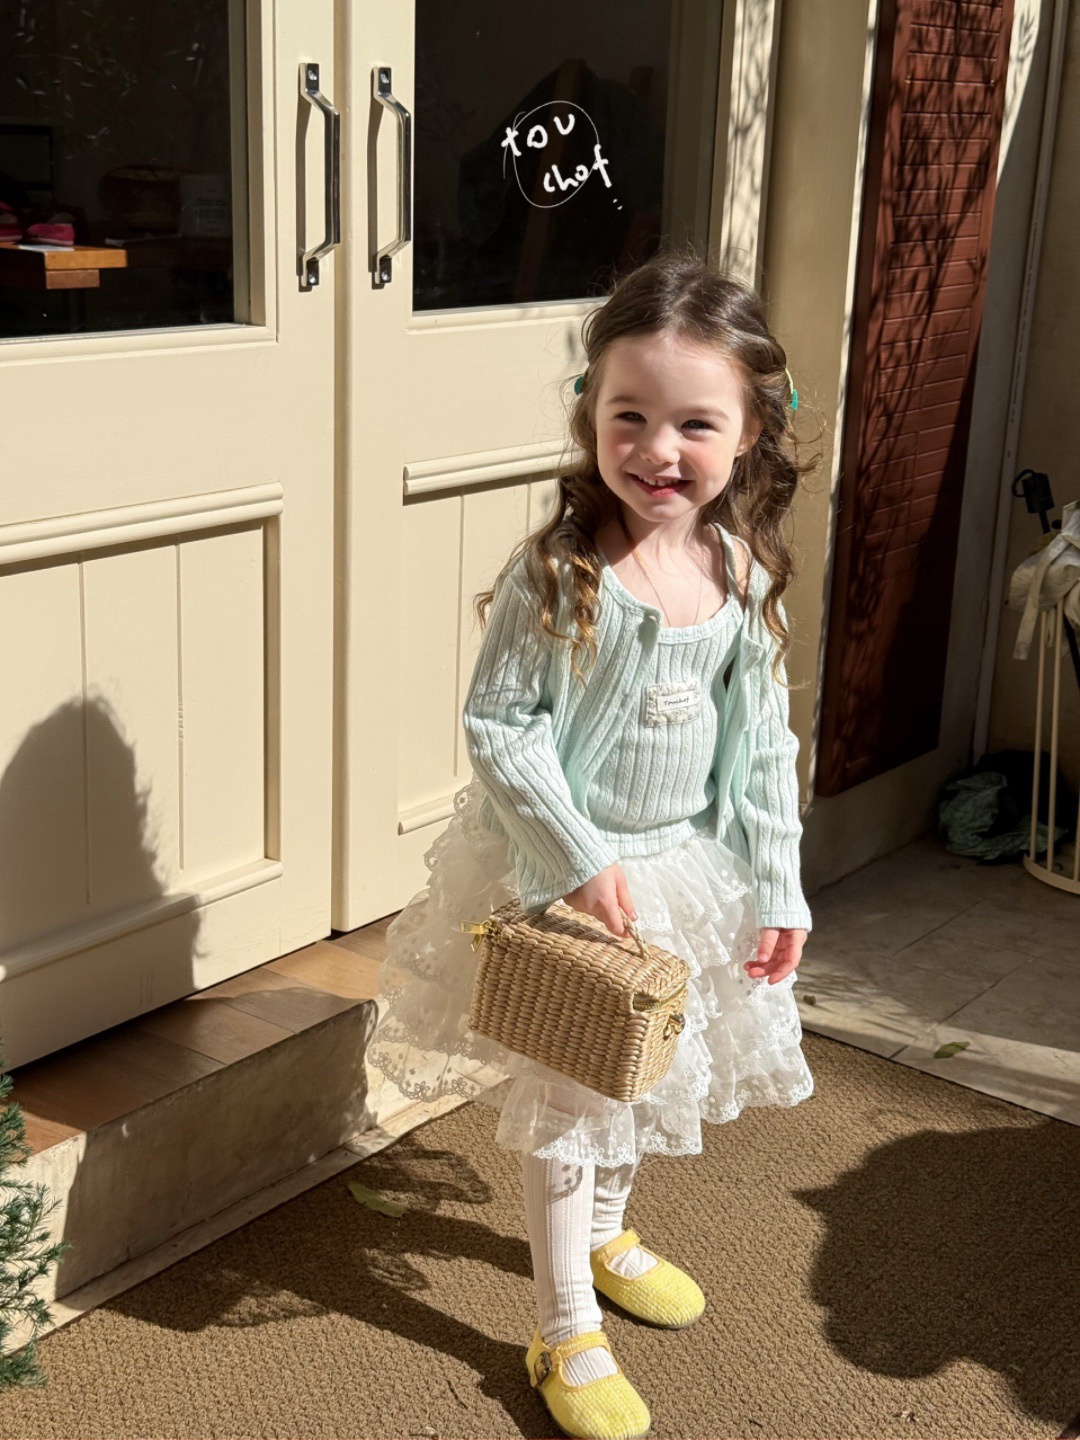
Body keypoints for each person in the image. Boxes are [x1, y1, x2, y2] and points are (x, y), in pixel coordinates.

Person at [367, 249, 819, 1440]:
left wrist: (779, 882)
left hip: (686, 872)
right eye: (631, 416)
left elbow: (761, 744)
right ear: (591, 415)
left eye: (695, 423)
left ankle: (607, 1232)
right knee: (575, 1093)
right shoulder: (562, 575)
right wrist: (574, 858)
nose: (658, 449)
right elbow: (500, 728)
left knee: (641, 1069)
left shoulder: (739, 570)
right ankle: (564, 1324)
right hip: (565, 877)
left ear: (751, 434)